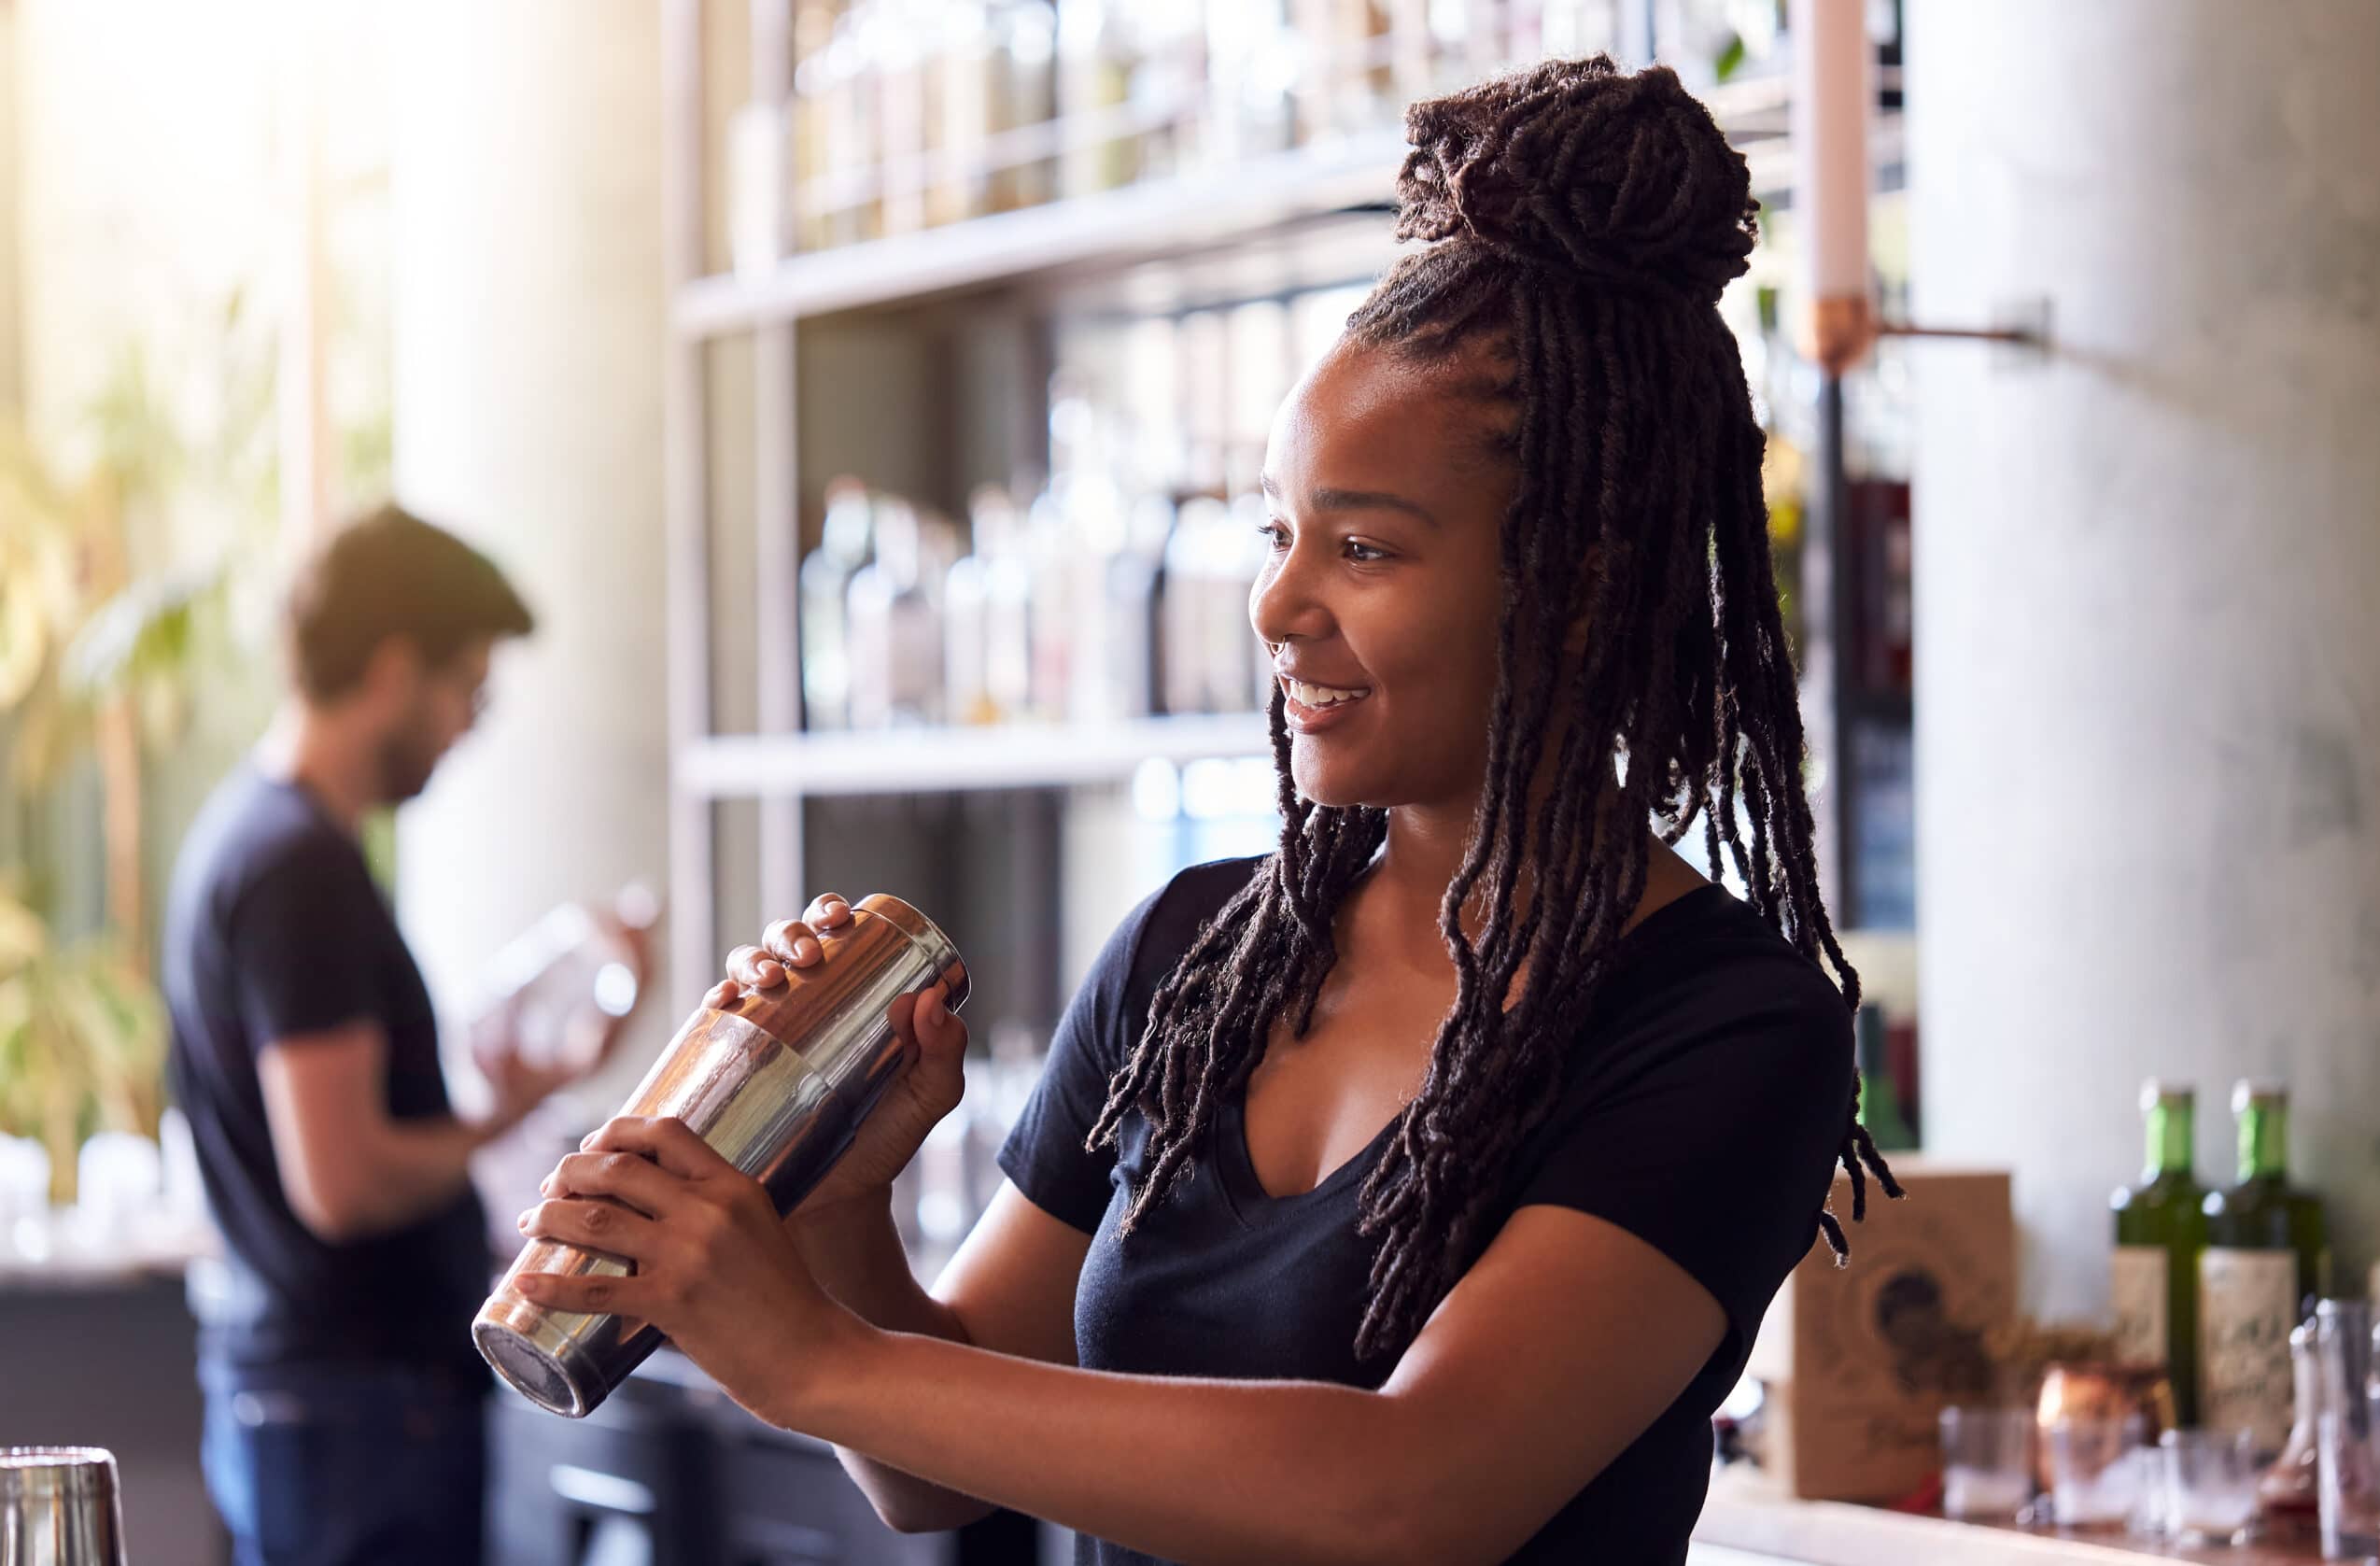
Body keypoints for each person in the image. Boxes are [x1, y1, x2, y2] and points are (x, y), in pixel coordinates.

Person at [514, 57, 1901, 1565]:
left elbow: (1408, 1491)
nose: (1278, 604)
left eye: (1362, 546)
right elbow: (934, 1476)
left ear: (1571, 587)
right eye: (1274, 530)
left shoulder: (1726, 1029)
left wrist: (807, 1353)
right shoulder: (1202, 954)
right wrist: (850, 1203)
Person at [163, 505, 630, 1566]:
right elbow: (346, 1180)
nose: (468, 723)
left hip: (312, 1402)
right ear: (391, 669)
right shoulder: (299, 871)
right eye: (466, 687)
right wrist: (501, 1121)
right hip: (356, 1412)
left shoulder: (250, 838)